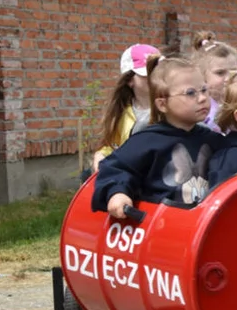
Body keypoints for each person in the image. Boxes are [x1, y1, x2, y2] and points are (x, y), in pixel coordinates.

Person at [92, 55, 224, 218]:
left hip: (203, 228)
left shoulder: (214, 140)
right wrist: (117, 193)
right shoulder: (147, 141)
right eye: (190, 93)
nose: (203, 98)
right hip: (161, 229)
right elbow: (116, 167)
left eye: (204, 90)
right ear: (162, 104)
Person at [91, 44, 161, 172]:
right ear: (129, 80)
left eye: (158, 72)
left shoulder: (172, 107)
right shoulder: (121, 114)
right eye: (147, 73)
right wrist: (101, 155)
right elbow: (113, 146)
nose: (154, 78)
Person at [188, 31, 237, 133]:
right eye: (220, 73)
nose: (228, 78)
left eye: (233, 71)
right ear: (201, 76)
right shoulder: (200, 110)